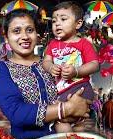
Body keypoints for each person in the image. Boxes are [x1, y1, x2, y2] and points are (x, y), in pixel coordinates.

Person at [0, 9, 91, 139]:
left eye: (29, 30)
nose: (25, 36)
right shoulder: (1, 70)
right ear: (6, 37)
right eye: (16, 31)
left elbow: (77, 95)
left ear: (36, 34)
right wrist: (65, 109)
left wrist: (77, 108)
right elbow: (16, 113)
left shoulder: (53, 62)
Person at [42, 1, 99, 132]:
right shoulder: (52, 44)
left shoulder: (84, 43)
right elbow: (46, 61)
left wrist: (76, 71)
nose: (57, 24)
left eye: (63, 19)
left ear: (78, 23)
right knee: (61, 123)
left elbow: (94, 64)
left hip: (81, 88)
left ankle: (79, 130)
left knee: (72, 122)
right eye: (54, 21)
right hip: (61, 91)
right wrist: (51, 67)